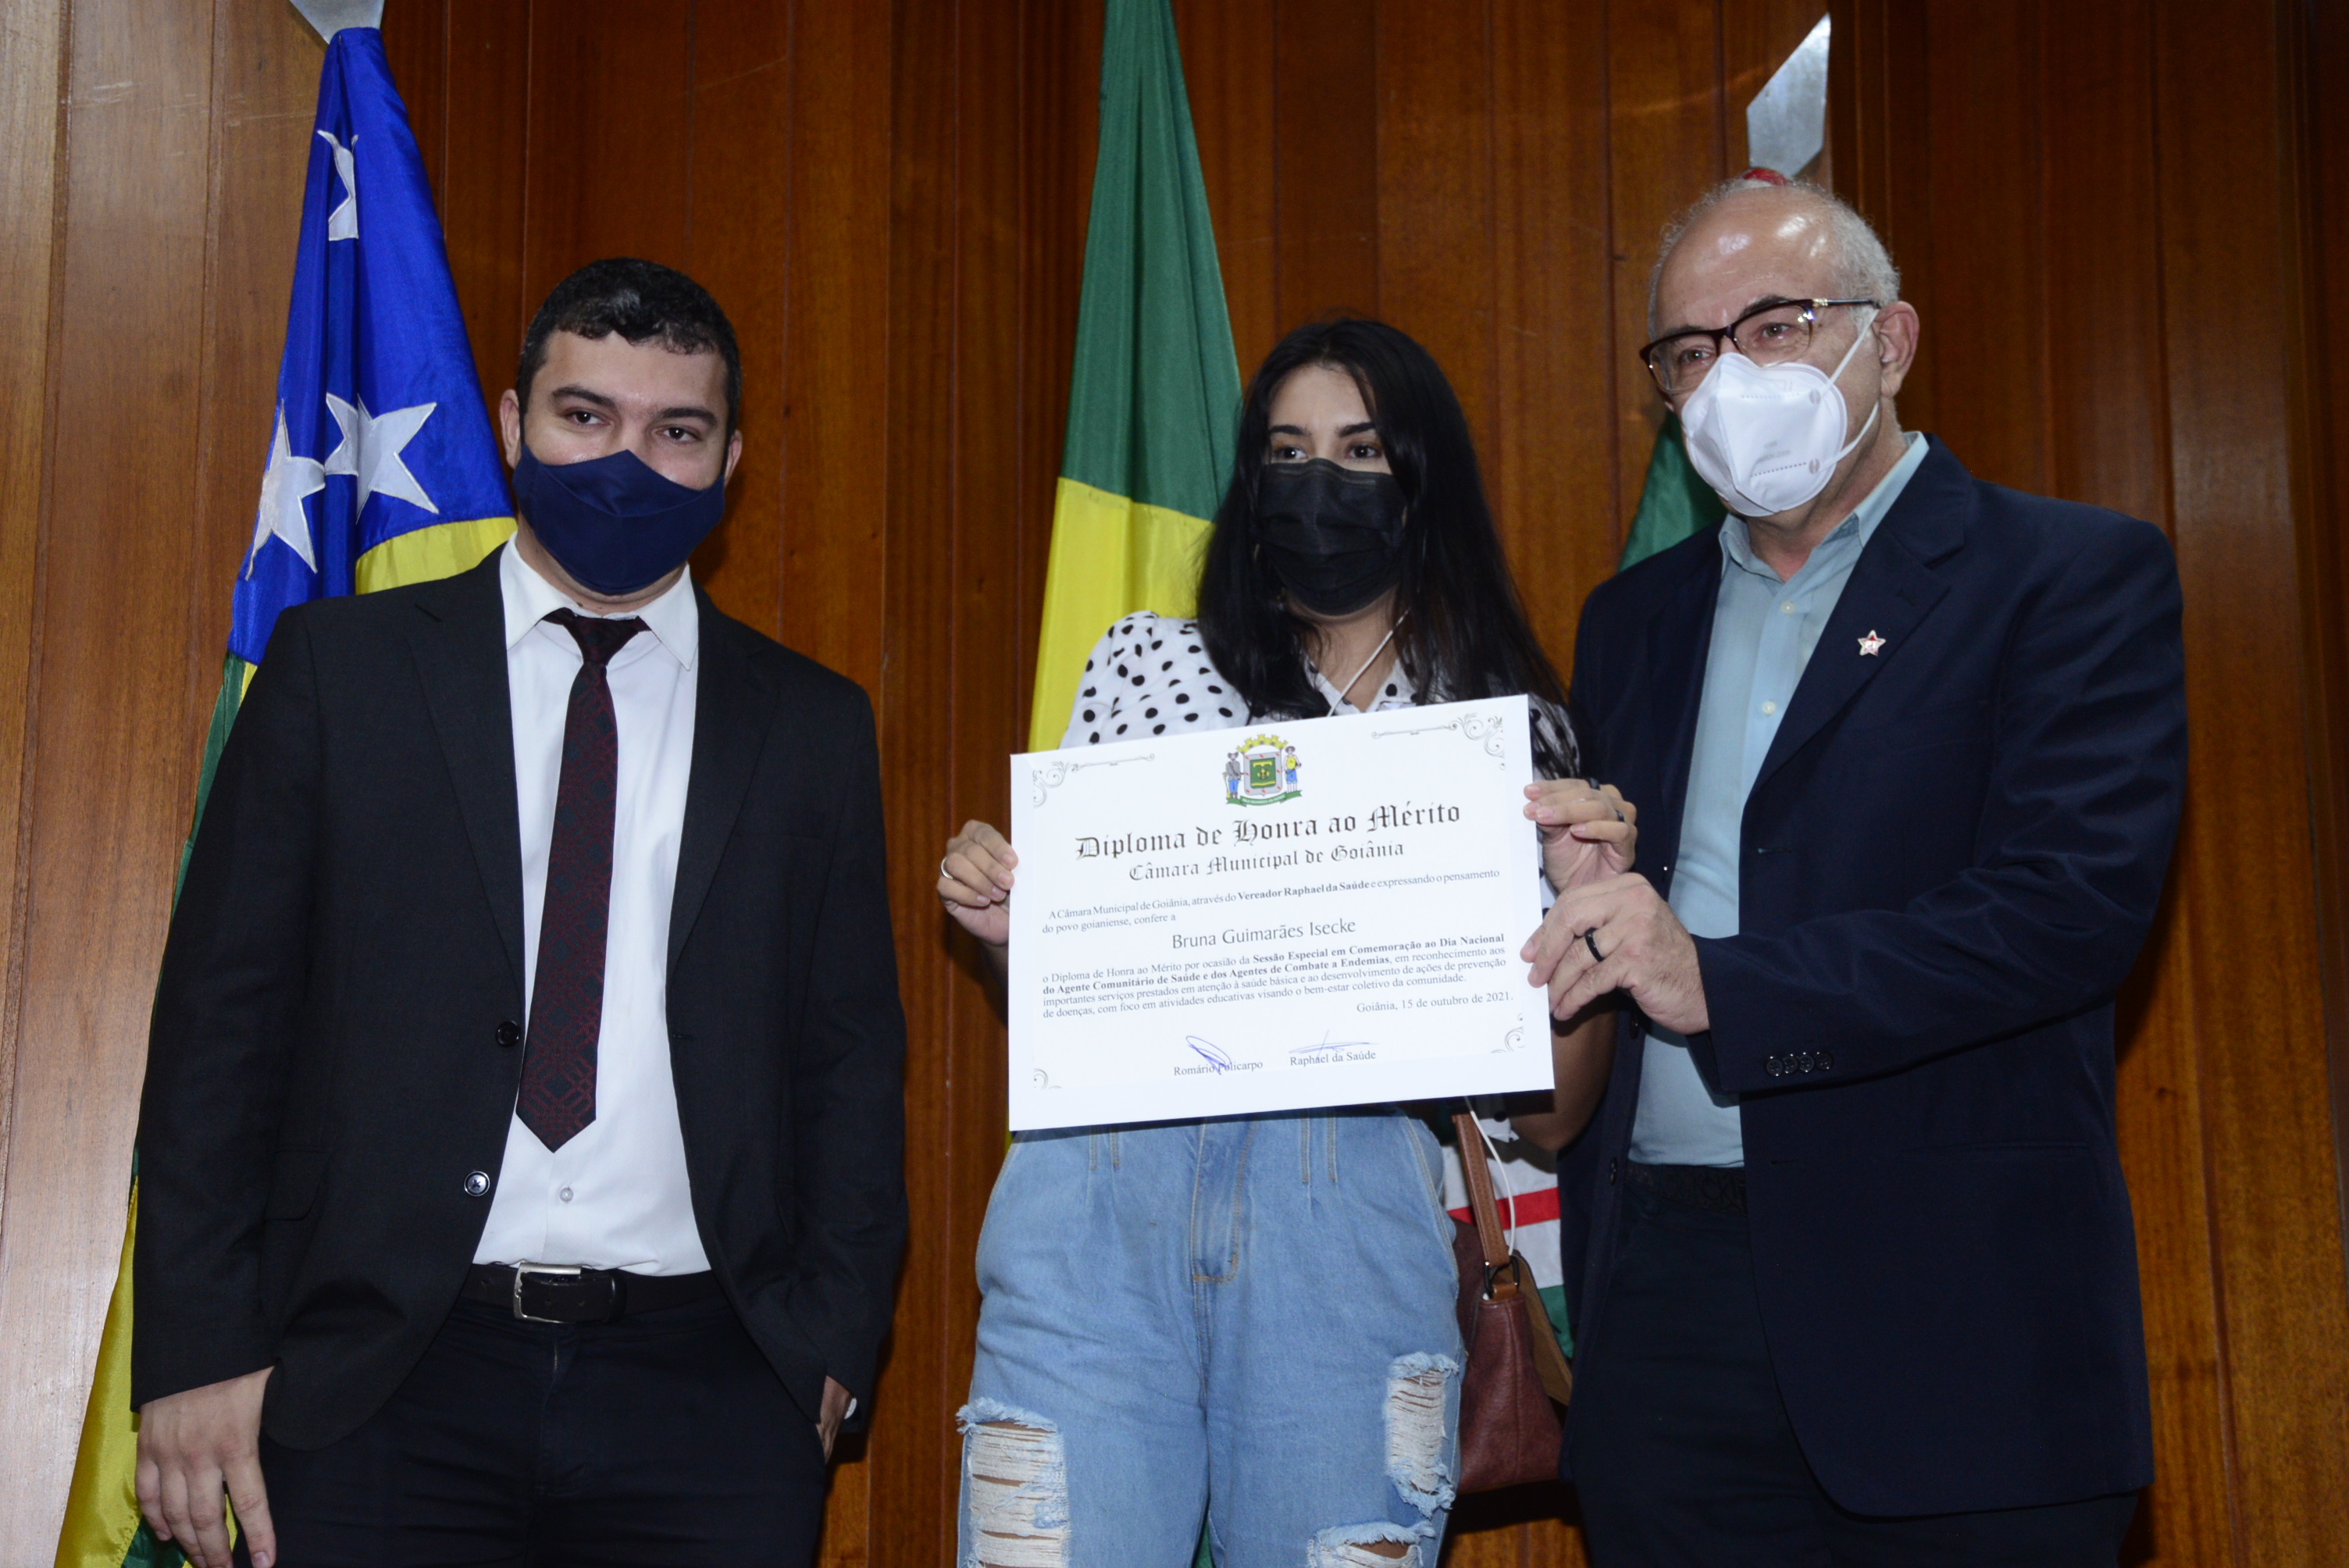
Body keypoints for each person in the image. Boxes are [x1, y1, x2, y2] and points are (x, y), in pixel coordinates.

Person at [130, 258, 907, 1568]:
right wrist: (199, 1349)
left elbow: (849, 1062)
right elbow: (221, 1032)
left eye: (677, 432)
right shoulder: (342, 675)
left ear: (731, 461)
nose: (627, 465)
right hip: (376, 1386)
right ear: (510, 423)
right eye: (584, 416)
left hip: (711, 1403)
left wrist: (827, 1347)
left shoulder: (812, 727)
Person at [1527, 178, 2187, 1564]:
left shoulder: (2066, 575)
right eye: (1690, 352)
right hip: (1669, 1321)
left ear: (1889, 342)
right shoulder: (1631, 620)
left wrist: (1723, 985)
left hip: (1955, 1317)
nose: (1730, 378)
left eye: (1775, 327)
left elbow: (2064, 912)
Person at [937, 318, 1627, 1568]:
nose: (1319, 481)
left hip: (1351, 1210)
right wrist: (1006, 936)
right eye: (1288, 450)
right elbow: (1077, 999)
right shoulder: (1143, 664)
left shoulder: (1509, 733)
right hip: (1097, 1199)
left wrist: (1589, 911)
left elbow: (1555, 1116)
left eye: (1361, 451)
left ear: (1423, 478)